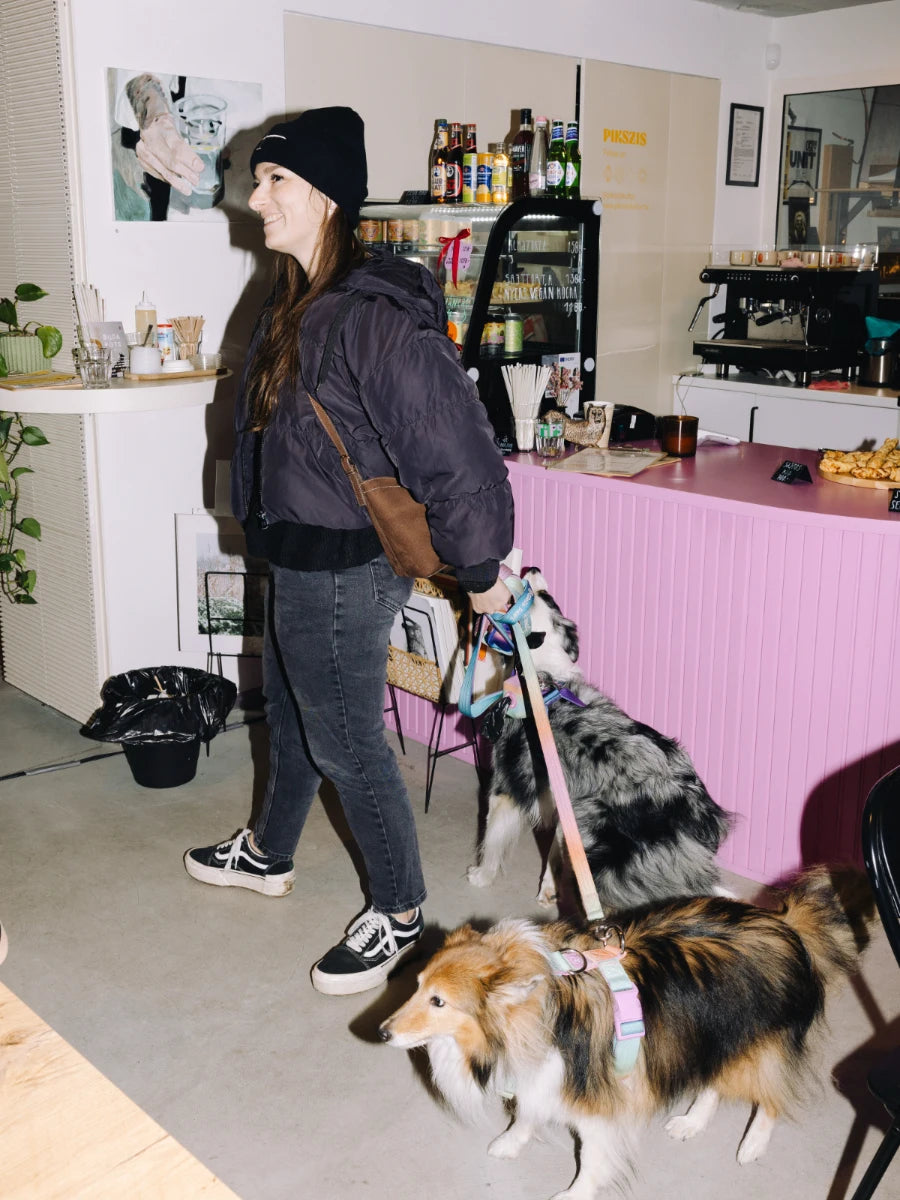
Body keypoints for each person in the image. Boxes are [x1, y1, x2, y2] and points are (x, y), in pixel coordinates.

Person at [184, 107, 514, 996]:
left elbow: (454, 447)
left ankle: (401, 913)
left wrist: (481, 570)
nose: (256, 198)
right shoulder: (300, 296)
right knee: (296, 711)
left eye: (275, 181)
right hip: (301, 551)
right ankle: (268, 852)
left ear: (327, 195)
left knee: (347, 741)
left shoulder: (369, 315)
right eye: (258, 180)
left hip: (342, 568)